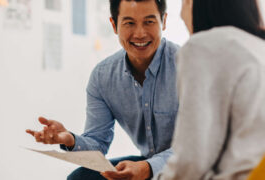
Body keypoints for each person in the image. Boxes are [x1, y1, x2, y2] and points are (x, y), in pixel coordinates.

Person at [26, 0, 180, 179]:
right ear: (114, 25)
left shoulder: (189, 66)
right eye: (129, 23)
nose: (140, 33)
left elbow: (198, 147)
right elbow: (97, 144)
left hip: (190, 166)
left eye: (149, 22)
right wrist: (70, 139)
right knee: (80, 178)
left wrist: (148, 168)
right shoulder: (102, 77)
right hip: (146, 164)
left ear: (164, 21)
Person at [153, 0, 265, 179]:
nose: (182, 15)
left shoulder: (203, 46)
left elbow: (191, 161)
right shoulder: (258, 46)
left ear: (192, 3)